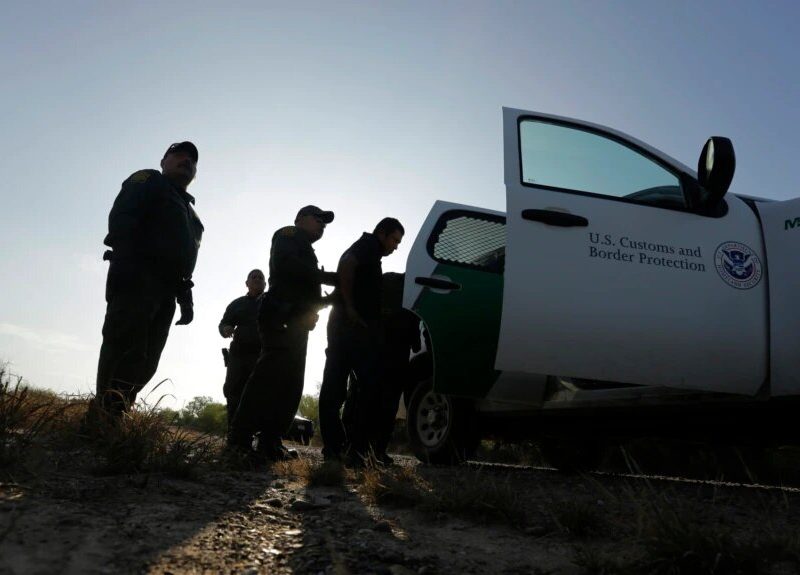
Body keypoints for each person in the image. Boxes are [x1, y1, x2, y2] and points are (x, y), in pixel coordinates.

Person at [89, 141, 203, 424]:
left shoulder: (193, 217)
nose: (186, 160)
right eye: (178, 154)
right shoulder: (150, 180)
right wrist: (126, 264)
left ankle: (118, 412)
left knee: (147, 359)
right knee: (124, 344)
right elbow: (122, 218)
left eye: (192, 159)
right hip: (137, 276)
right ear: (163, 161)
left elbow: (185, 260)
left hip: (166, 292)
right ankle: (101, 418)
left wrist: (185, 298)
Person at [228, 206, 337, 461]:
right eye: (318, 218)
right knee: (268, 377)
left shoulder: (307, 250)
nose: (322, 224)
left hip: (296, 322)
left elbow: (304, 291)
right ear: (300, 219)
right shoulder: (288, 234)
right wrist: (329, 277)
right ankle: (240, 437)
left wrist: (330, 299)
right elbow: (288, 267)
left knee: (289, 383)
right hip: (280, 317)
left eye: (325, 222)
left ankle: (270, 441)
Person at [319, 217, 404, 464]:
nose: (396, 246)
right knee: (354, 389)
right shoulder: (368, 245)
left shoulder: (370, 252)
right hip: (350, 330)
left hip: (347, 329)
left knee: (346, 389)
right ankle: (346, 450)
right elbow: (347, 264)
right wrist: (351, 308)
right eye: (394, 240)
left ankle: (343, 450)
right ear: (382, 233)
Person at [219, 269, 266, 434]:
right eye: (254, 277)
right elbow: (224, 323)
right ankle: (233, 435)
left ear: (265, 283)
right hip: (238, 355)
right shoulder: (237, 304)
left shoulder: (271, 301)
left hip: (263, 356)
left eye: (261, 277)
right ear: (247, 283)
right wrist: (226, 328)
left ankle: (254, 436)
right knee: (233, 393)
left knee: (259, 395)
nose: (257, 279)